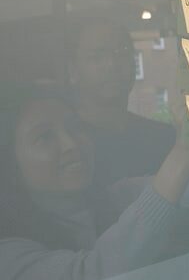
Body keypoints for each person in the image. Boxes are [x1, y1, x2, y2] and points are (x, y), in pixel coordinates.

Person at [0, 87, 189, 280]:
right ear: (9, 161)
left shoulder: (118, 196)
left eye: (75, 127)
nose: (71, 144)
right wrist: (185, 148)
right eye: (44, 137)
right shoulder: (7, 255)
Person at [66, 21, 174, 188]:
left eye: (122, 54)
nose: (112, 65)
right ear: (73, 71)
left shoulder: (165, 138)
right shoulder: (68, 148)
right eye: (96, 57)